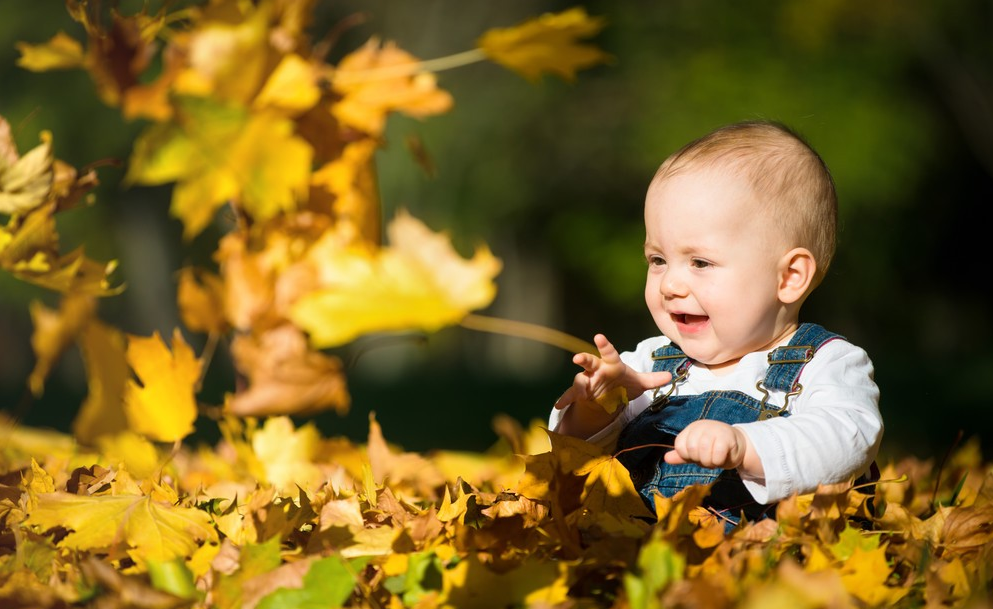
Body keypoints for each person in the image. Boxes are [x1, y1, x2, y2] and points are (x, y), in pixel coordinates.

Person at [550, 120, 883, 525]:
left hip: (773, 560)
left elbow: (848, 438)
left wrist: (746, 446)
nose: (670, 283)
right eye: (658, 260)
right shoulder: (647, 364)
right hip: (646, 552)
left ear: (790, 277)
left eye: (700, 262)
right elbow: (573, 452)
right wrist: (594, 408)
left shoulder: (825, 363)